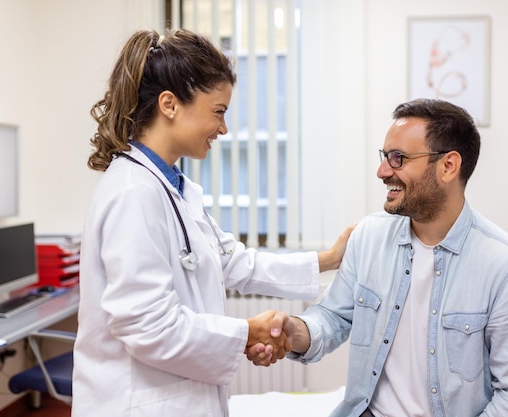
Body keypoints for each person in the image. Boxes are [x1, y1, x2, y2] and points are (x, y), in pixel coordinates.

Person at [72, 28, 352, 417]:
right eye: (218, 112)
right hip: (137, 403)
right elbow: (147, 326)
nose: (223, 129)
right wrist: (245, 333)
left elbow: (233, 262)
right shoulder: (134, 192)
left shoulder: (173, 188)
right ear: (170, 104)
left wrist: (329, 258)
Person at [249, 98, 508, 416]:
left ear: (448, 166)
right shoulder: (369, 236)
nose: (382, 171)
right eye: (384, 157)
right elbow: (334, 317)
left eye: (398, 159)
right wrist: (294, 332)